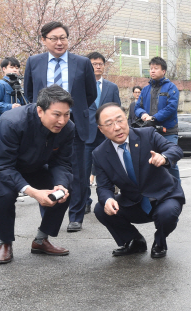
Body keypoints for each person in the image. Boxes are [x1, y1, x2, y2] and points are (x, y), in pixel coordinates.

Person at [0, 85, 74, 265]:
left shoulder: (68, 128)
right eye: (56, 115)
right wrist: (32, 191)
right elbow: (3, 165)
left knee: (65, 190)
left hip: (33, 165)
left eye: (66, 114)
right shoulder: (12, 122)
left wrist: (60, 184)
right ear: (40, 110)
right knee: (7, 193)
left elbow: (61, 163)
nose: (62, 121)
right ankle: (5, 243)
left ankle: (40, 240)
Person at [23, 21, 97, 233]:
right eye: (54, 38)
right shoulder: (34, 62)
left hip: (75, 126)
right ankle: (48, 218)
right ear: (44, 40)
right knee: (45, 172)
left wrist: (72, 113)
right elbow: (30, 93)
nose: (59, 42)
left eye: (63, 37)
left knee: (78, 173)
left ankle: (76, 216)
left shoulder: (82, 63)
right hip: (44, 127)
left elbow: (90, 94)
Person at [92, 103, 185, 258]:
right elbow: (103, 186)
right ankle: (135, 241)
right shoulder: (99, 154)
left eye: (120, 120)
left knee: (167, 214)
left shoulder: (147, 134)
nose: (117, 127)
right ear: (101, 129)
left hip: (164, 196)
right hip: (134, 202)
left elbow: (175, 149)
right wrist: (108, 199)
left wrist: (164, 157)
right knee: (101, 208)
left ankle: (160, 241)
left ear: (127, 120)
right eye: (109, 124)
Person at [66, 51, 121, 230]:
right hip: (86, 133)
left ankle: (108, 199)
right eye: (93, 64)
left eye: (100, 64)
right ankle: (86, 201)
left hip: (106, 134)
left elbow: (116, 108)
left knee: (109, 168)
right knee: (83, 171)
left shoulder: (112, 87)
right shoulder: (78, 86)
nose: (97, 66)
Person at [134, 56, 180, 183]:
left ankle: (176, 191)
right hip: (149, 132)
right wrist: (143, 114)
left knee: (170, 163)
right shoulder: (146, 89)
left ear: (163, 71)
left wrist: (154, 118)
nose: (152, 71)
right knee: (150, 163)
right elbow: (137, 107)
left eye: (156, 68)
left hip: (168, 132)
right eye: (151, 68)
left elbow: (171, 108)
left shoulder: (171, 88)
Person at [0, 57, 26, 130]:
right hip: (2, 127)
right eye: (11, 67)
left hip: (17, 126)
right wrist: (10, 107)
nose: (15, 70)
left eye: (17, 68)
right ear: (4, 69)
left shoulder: (20, 88)